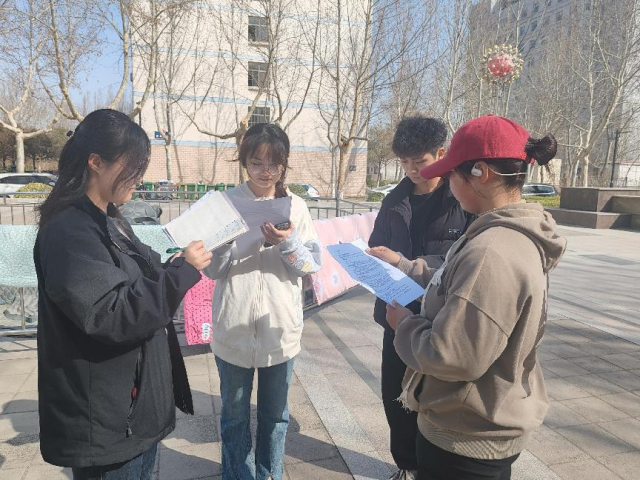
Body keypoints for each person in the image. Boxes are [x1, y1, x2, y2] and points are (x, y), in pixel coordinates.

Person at [368, 115, 566, 480]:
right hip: (475, 419)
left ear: (480, 173)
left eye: (451, 173)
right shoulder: (500, 234)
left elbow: (452, 356)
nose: (446, 182)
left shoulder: (491, 252)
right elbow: (450, 278)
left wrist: (405, 324)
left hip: (466, 435)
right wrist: (407, 267)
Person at [34, 109, 212, 480]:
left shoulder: (107, 217)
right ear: (96, 162)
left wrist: (176, 265)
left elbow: (139, 274)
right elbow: (112, 314)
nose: (139, 178)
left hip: (129, 412)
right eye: (132, 167)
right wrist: (181, 274)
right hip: (106, 420)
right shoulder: (69, 231)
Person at [202, 123, 322, 480]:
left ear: (284, 164)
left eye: (274, 164)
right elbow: (214, 271)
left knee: (275, 416)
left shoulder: (296, 207)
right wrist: (226, 241)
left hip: (279, 328)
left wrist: (287, 243)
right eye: (256, 163)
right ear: (245, 162)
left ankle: (270, 474)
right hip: (233, 327)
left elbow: (310, 265)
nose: (265, 171)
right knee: (234, 416)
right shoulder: (226, 203)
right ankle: (238, 474)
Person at [368, 116, 475, 480]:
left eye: (420, 161)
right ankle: (407, 465)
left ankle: (430, 466)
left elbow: (464, 260)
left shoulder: (460, 199)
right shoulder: (394, 200)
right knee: (394, 394)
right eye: (404, 162)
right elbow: (377, 244)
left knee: (434, 397)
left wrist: (404, 262)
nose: (412, 170)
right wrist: (369, 261)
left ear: (441, 153)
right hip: (397, 312)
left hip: (440, 317)